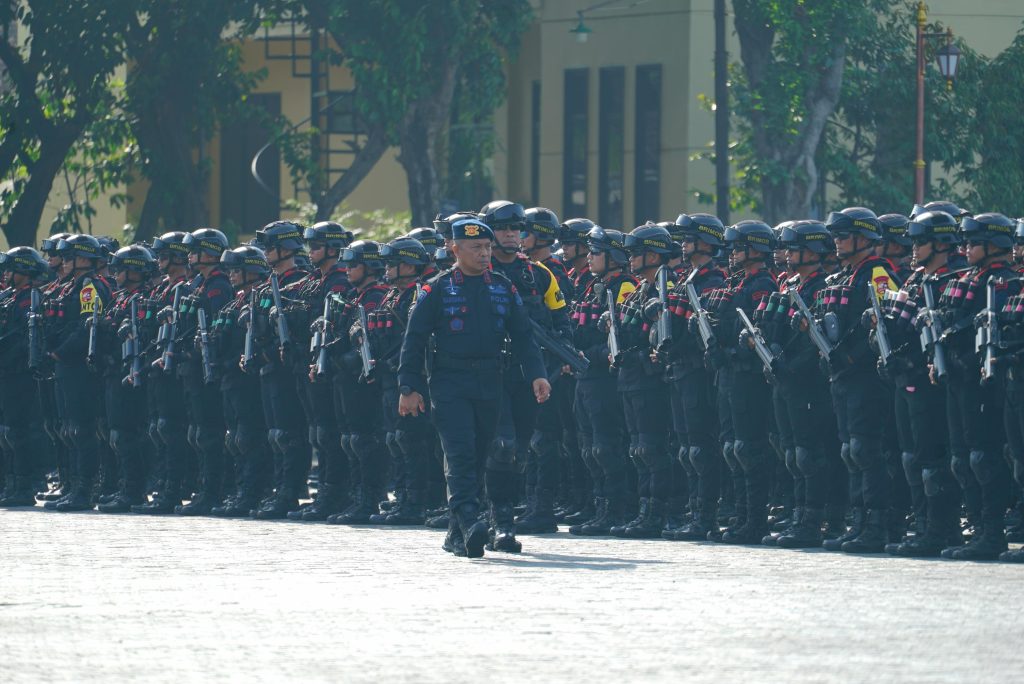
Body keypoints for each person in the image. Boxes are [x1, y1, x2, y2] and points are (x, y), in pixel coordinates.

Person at [398, 215, 549, 558]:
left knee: (483, 453)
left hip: (491, 380)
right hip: (450, 382)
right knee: (460, 452)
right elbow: (414, 340)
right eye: (475, 248)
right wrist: (409, 386)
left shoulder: (501, 286)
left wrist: (537, 374)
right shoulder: (436, 289)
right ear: (454, 248)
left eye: (487, 247)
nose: (484, 254)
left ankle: (456, 534)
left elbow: (523, 335)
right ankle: (469, 519)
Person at [567, 226, 636, 536]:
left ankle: (616, 509)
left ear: (614, 257)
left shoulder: (623, 287)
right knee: (588, 448)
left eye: (596, 252)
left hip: (604, 379)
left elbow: (620, 337)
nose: (590, 257)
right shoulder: (591, 286)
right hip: (585, 376)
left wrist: (587, 355)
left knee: (606, 447)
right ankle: (598, 507)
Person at [46, 235, 113, 511]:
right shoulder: (70, 287)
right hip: (65, 365)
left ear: (84, 259)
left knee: (81, 429)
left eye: (69, 256)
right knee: (69, 429)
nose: (64, 261)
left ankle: (84, 489)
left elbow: (88, 326)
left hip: (79, 366)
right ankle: (74, 485)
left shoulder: (89, 287)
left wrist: (60, 351)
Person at [0, 247, 50, 507]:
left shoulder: (32, 298)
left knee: (16, 431)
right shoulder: (11, 296)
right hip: (6, 372)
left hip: (20, 373)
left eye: (12, 269)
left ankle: (23, 485)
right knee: (6, 431)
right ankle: (10, 483)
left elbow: (25, 339)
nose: (7, 273)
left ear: (24, 271)